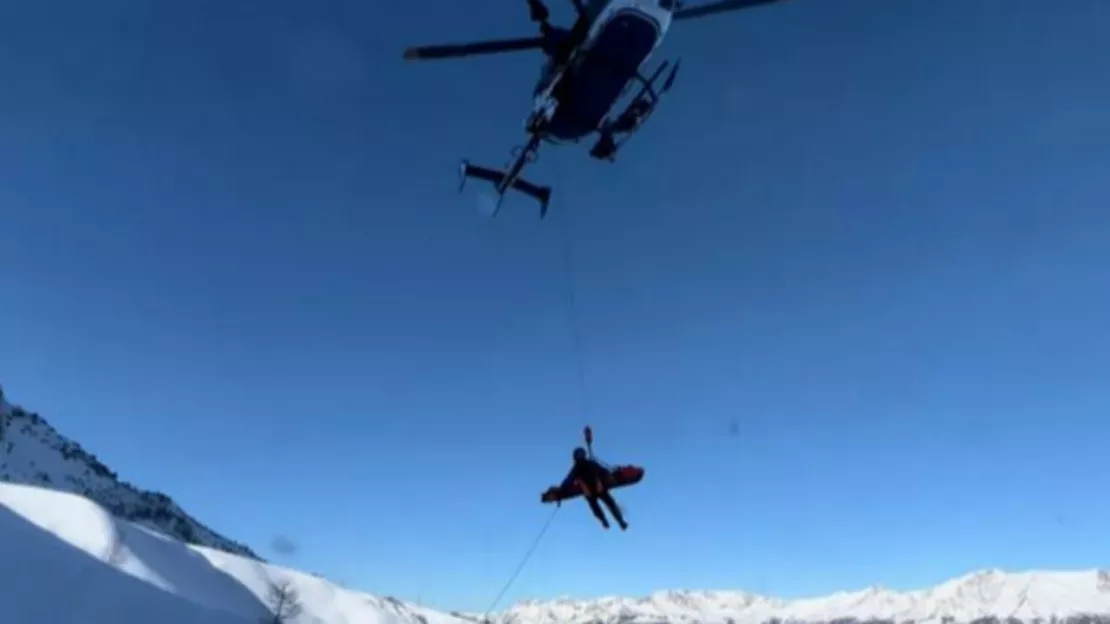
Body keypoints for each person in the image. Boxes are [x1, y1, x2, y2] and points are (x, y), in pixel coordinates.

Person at [562, 447, 628, 530]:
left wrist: (563, 488)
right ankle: (614, 521)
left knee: (604, 505)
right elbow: (569, 479)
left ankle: (615, 521)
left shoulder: (584, 466)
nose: (580, 457)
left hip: (596, 488)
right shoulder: (579, 467)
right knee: (605, 504)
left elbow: (569, 480)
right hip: (593, 490)